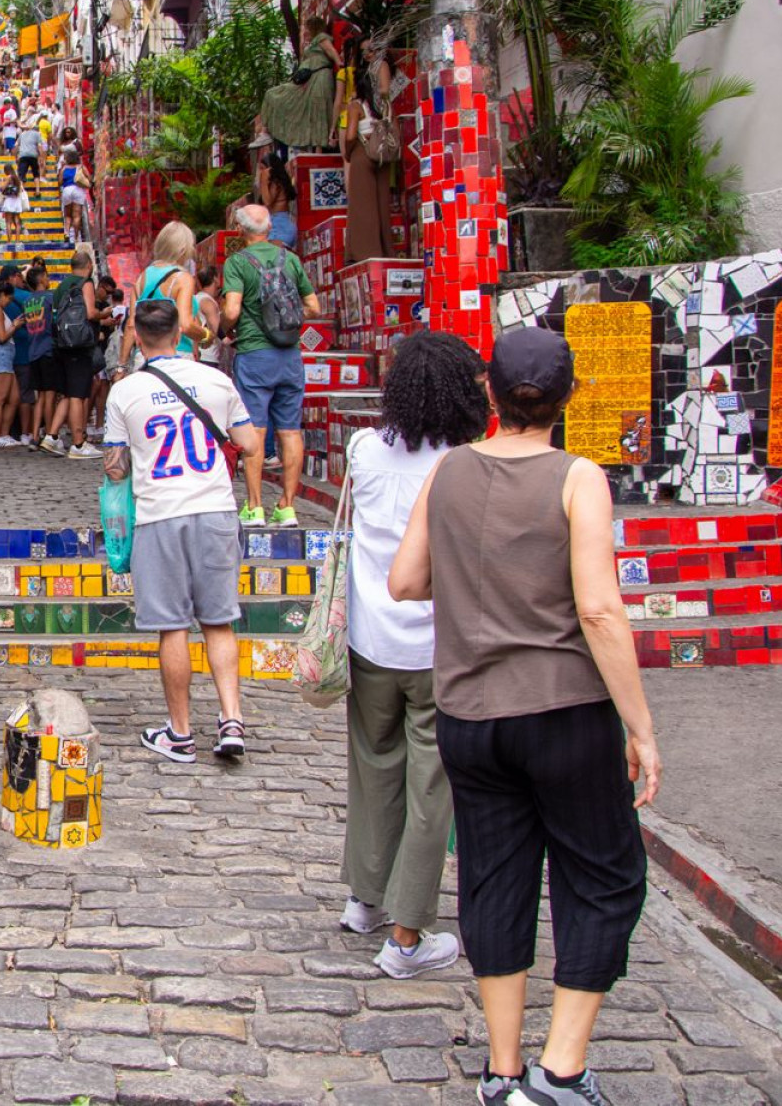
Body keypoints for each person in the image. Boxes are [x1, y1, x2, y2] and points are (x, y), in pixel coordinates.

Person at [389, 327, 663, 1106]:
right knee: (606, 876)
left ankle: (503, 1070)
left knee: (495, 879)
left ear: (490, 394)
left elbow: (405, 580)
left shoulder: (449, 470)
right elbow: (601, 611)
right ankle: (563, 1066)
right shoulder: (579, 479)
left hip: (471, 715)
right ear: (568, 398)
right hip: (564, 710)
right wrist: (639, 726)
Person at [339, 331, 490, 981]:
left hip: (370, 638)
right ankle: (407, 933)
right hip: (438, 646)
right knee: (431, 787)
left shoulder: (364, 449)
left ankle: (363, 897)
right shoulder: (467, 463)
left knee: (374, 766)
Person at [103, 299, 261, 765]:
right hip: (215, 509)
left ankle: (181, 731)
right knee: (219, 620)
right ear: (180, 333)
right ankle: (232, 719)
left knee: (172, 626)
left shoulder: (125, 392)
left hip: (160, 516)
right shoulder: (217, 380)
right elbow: (249, 444)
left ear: (137, 333)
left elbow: (115, 470)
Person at [222, 204, 321, 527]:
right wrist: (285, 321)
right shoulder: (289, 260)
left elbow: (233, 311)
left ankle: (254, 507)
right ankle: (287, 506)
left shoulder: (237, 263)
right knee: (290, 431)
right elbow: (314, 307)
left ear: (241, 229)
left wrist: (224, 328)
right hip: (290, 355)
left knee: (256, 430)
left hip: (254, 355)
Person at [117, 222, 212, 374]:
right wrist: (206, 335)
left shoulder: (142, 278)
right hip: (177, 357)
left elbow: (131, 325)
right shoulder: (183, 278)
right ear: (183, 250)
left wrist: (121, 366)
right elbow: (185, 325)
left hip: (144, 359)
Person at [49, 252, 106, 460]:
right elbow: (91, 313)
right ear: (90, 265)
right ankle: (79, 443)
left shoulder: (61, 286)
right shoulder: (86, 283)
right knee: (78, 394)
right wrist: (105, 314)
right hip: (79, 344)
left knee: (67, 392)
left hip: (61, 342)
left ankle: (52, 436)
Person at [259, 17, 342, 150]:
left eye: (307, 29)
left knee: (318, 111)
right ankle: (266, 131)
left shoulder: (321, 38)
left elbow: (331, 51)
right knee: (274, 95)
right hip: (309, 80)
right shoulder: (311, 44)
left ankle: (318, 150)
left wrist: (340, 64)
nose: (305, 32)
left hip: (319, 78)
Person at [341, 67, 395, 261]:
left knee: (362, 206)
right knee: (381, 204)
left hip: (362, 152)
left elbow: (350, 135)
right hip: (382, 154)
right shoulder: (385, 105)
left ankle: (366, 253)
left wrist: (348, 153)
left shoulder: (356, 106)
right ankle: (386, 251)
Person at [15, 265, 55, 449]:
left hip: (32, 350)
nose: (48, 279)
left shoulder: (28, 301)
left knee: (39, 396)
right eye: (46, 276)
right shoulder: (49, 298)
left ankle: (35, 435)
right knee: (49, 394)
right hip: (47, 348)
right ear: (41, 280)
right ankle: (49, 435)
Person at [58, 147, 91, 246]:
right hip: (78, 190)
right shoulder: (81, 167)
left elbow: (59, 182)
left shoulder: (64, 168)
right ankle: (76, 238)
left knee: (67, 215)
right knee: (76, 215)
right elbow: (89, 178)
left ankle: (67, 233)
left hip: (67, 190)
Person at [0, 161, 27, 242]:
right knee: (17, 222)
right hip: (16, 200)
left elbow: (2, 188)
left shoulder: (8, 177)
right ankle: (17, 240)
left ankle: (9, 241)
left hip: (9, 200)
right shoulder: (17, 178)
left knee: (8, 222)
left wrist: (0, 186)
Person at [15, 116, 44, 193]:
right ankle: (37, 190)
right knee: (35, 173)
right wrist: (41, 157)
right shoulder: (37, 134)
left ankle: (21, 190)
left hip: (23, 155)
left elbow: (16, 146)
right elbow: (39, 147)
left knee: (22, 173)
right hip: (33, 156)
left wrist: (16, 156)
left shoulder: (22, 135)